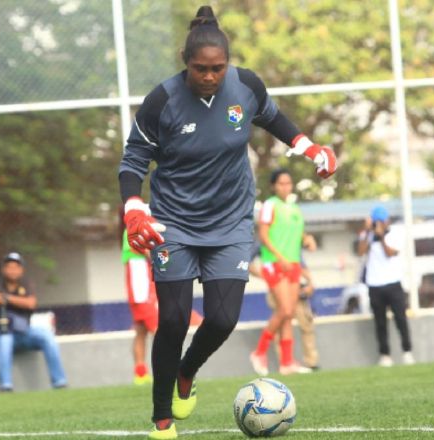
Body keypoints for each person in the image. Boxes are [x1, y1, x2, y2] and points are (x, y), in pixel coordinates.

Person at [117, 6, 337, 438]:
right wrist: (133, 207)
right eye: (201, 68)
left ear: (228, 64)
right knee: (175, 320)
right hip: (172, 222)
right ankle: (162, 418)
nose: (210, 76)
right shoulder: (161, 101)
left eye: (218, 68)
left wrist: (311, 150)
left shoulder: (246, 86)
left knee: (221, 319)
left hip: (232, 220)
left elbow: (274, 118)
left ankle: (187, 371)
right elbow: (133, 161)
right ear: (187, 63)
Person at [250, 169, 316, 376]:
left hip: (293, 265)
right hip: (274, 264)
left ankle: (287, 363)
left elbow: (296, 234)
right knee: (286, 310)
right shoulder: (269, 205)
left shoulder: (295, 208)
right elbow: (263, 235)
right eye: (281, 183)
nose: (285, 187)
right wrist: (280, 257)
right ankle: (259, 351)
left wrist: (307, 239)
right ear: (273, 186)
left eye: (288, 183)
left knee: (289, 316)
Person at [0, 252, 67, 392]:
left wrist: (6, 298)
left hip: (23, 331)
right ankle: (6, 385)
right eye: (9, 267)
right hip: (3, 332)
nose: (13, 270)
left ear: (21, 270)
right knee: (5, 341)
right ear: (3, 269)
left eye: (16, 267)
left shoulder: (26, 284)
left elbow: (31, 303)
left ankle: (59, 381)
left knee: (46, 335)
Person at [357, 205, 415, 367]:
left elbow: (390, 254)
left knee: (400, 319)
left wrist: (381, 237)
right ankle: (384, 355)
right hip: (374, 284)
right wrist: (368, 232)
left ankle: (407, 351)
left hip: (393, 283)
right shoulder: (366, 235)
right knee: (380, 322)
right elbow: (360, 252)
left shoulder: (394, 233)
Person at [122, 229, 159, 385]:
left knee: (141, 329)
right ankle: (170, 370)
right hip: (140, 285)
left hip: (139, 283)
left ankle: (140, 374)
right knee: (159, 331)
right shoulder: (138, 224)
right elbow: (152, 252)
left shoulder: (136, 223)